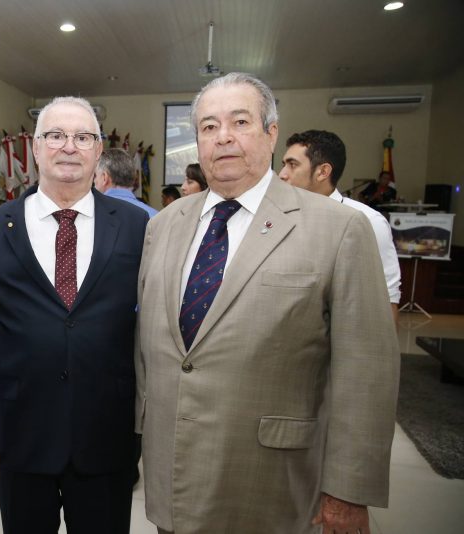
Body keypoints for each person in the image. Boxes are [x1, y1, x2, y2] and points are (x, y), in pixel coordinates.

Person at [135, 73, 399, 533]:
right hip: (173, 473)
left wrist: (349, 487)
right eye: (209, 126)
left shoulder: (337, 229)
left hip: (271, 480)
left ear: (271, 132)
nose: (225, 138)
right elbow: (153, 344)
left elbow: (367, 369)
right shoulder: (164, 224)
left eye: (240, 121)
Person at [0, 96, 147, 534]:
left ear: (99, 150)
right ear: (36, 148)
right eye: (55, 135)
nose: (69, 147)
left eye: (82, 137)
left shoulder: (137, 228)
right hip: (22, 434)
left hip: (107, 433)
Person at [280, 130, 401, 321]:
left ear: (323, 172)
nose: (282, 174)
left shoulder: (366, 221)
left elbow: (387, 297)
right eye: (283, 165)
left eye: (292, 165)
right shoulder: (280, 217)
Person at [94, 147, 158, 217]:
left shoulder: (91, 215)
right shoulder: (155, 216)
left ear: (104, 178)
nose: (94, 181)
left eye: (95, 176)